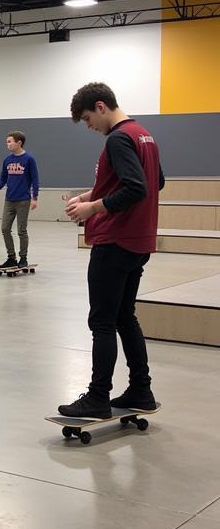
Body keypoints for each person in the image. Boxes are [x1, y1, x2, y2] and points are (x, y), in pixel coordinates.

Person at [58, 82, 164, 420]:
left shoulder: (118, 138)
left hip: (115, 241)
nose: (90, 127)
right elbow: (155, 180)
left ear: (101, 107)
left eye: (89, 119)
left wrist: (94, 208)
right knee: (123, 316)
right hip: (139, 240)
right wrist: (93, 194)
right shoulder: (144, 134)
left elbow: (136, 187)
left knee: (102, 321)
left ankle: (98, 397)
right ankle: (141, 389)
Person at [0, 130, 40, 269]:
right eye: (7, 142)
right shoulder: (7, 160)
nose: (7, 144)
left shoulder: (29, 159)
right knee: (5, 228)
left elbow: (35, 179)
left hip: (23, 200)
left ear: (19, 143)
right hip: (9, 200)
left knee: (21, 230)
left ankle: (23, 258)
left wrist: (34, 197)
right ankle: (11, 257)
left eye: (9, 141)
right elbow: (3, 177)